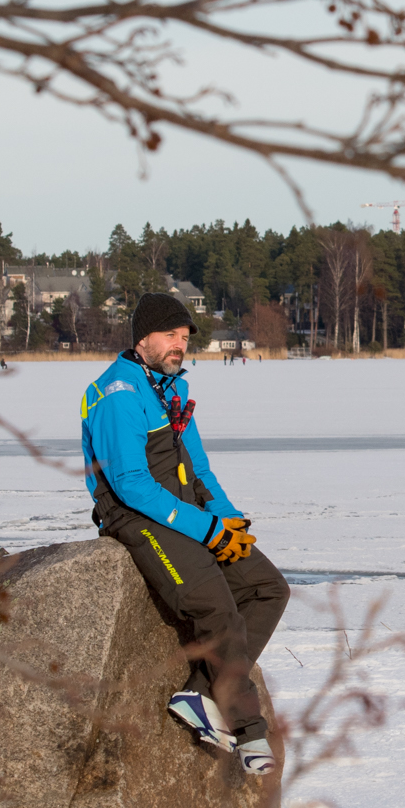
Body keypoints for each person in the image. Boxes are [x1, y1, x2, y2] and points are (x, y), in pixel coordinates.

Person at [79, 293, 289, 774]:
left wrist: (228, 520)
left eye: (185, 338)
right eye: (171, 336)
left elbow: (200, 472)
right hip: (135, 518)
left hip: (183, 510)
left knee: (267, 588)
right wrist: (206, 529)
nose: (180, 346)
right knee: (215, 605)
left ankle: (198, 694)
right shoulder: (119, 395)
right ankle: (249, 731)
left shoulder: (170, 389)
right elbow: (131, 484)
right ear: (142, 338)